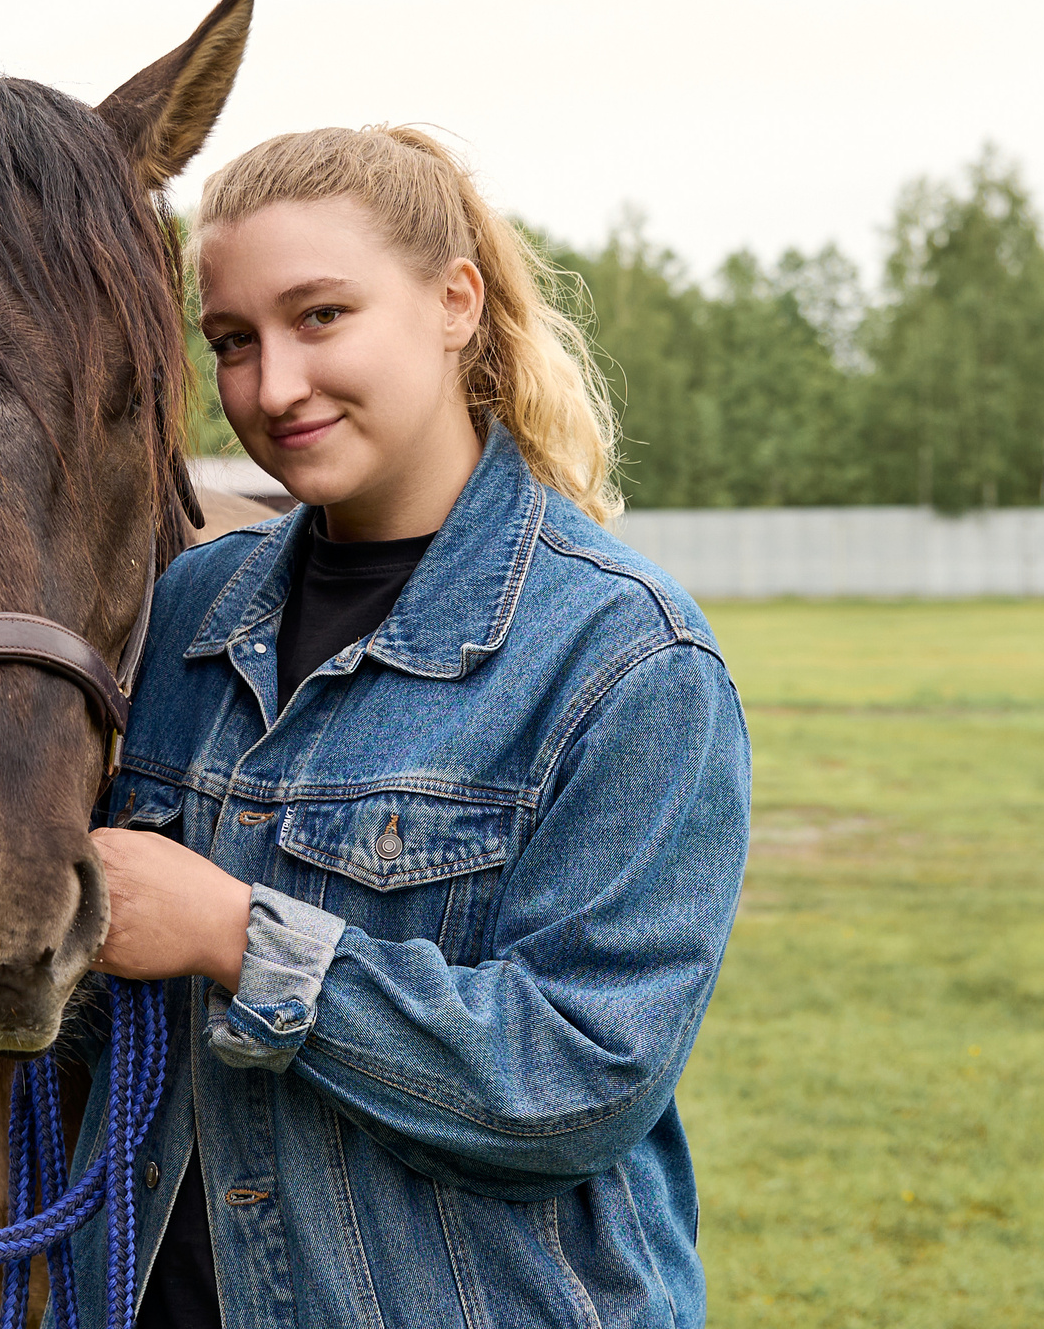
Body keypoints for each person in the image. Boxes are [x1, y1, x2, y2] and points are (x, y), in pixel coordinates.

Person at [79, 126, 752, 1328]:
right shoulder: (181, 618)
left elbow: (578, 1083)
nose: (271, 387)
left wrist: (236, 936)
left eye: (321, 315)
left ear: (454, 303)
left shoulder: (622, 657)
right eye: (232, 341)